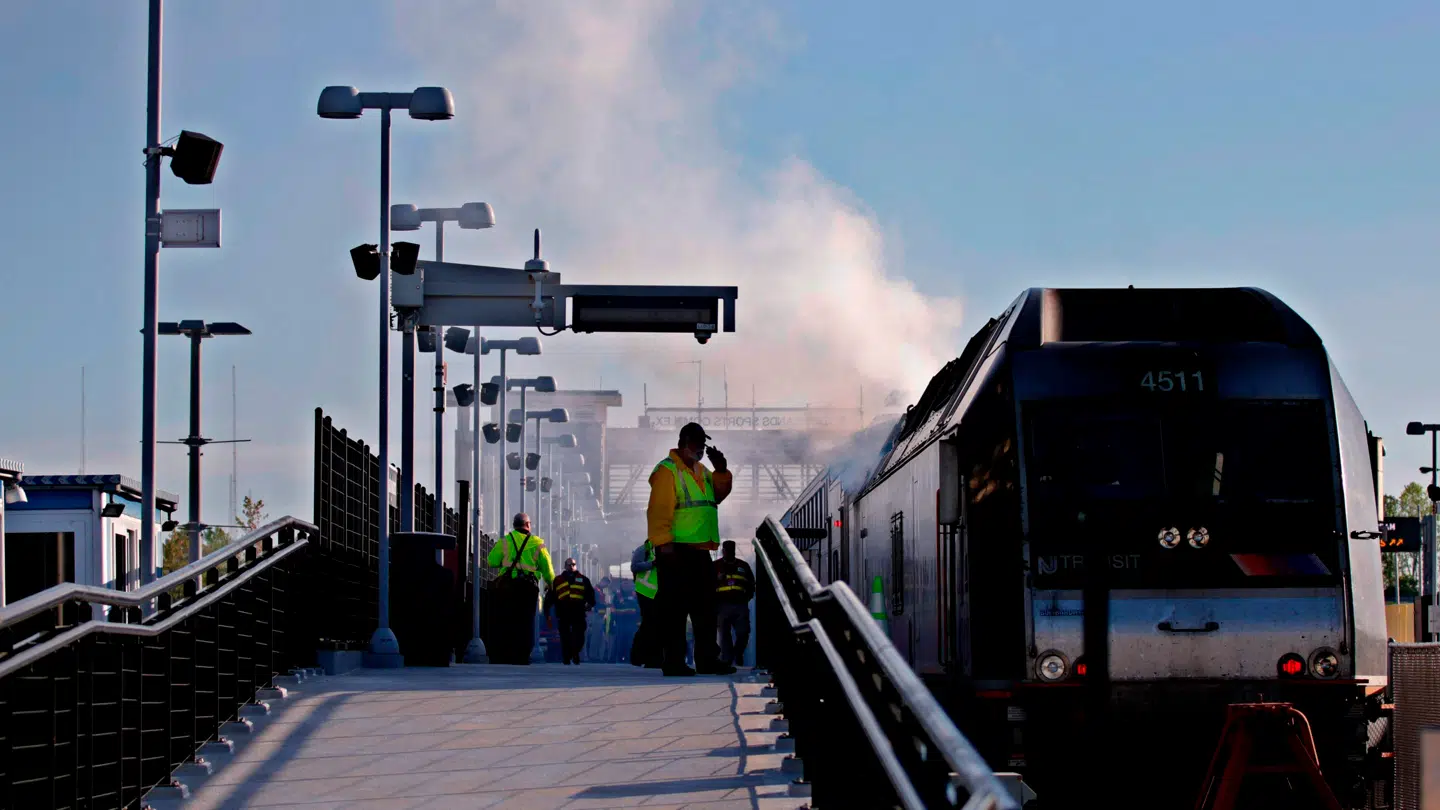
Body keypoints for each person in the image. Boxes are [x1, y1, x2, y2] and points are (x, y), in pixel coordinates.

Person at [646, 422, 736, 676]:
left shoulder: (701, 470)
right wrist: (664, 545)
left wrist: (722, 470)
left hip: (699, 551)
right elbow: (658, 510)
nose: (701, 449)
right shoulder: (667, 470)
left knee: (705, 609)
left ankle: (707, 659)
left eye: (703, 444)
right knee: (675, 610)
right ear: (684, 442)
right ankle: (673, 662)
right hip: (675, 551)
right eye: (697, 444)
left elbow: (716, 495)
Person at [484, 512, 554, 665]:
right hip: (528, 588)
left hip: (507, 587)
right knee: (526, 622)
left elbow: (491, 561)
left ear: (514, 525)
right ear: (528, 525)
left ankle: (505, 655)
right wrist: (550, 584)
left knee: (506, 620)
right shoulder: (538, 543)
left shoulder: (505, 541)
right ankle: (522, 657)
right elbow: (548, 569)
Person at [544, 557, 596, 665]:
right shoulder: (557, 580)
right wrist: (547, 611)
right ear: (565, 566)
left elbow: (590, 594)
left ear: (576, 566)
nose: (571, 566)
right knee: (565, 636)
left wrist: (590, 604)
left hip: (578, 612)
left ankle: (575, 652)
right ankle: (566, 657)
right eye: (569, 564)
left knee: (579, 636)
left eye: (573, 564)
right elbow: (551, 597)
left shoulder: (583, 579)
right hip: (563, 613)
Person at [714, 540, 755, 666]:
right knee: (724, 634)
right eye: (727, 550)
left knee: (743, 632)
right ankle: (727, 659)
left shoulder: (743, 566)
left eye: (731, 550)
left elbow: (751, 584)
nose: (728, 553)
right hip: (722, 605)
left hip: (740, 604)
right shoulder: (715, 566)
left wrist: (746, 598)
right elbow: (707, 584)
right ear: (723, 551)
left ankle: (737, 653)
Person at [629, 539, 663, 668]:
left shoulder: (662, 549)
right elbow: (634, 566)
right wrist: (652, 563)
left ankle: (653, 658)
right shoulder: (643, 550)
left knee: (654, 625)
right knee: (649, 624)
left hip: (658, 593)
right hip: (645, 591)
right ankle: (639, 656)